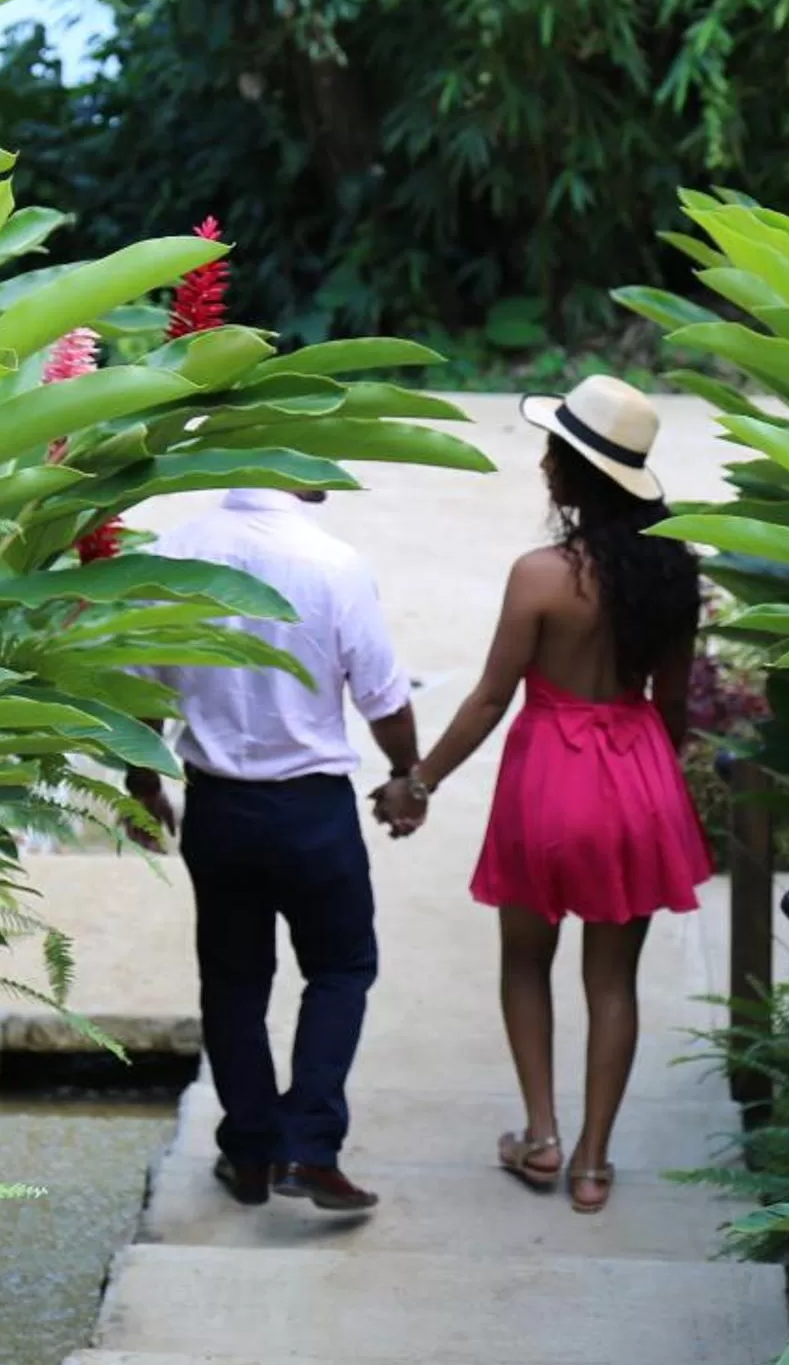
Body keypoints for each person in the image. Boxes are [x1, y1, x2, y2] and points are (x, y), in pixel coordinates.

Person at [402, 376, 707, 1215]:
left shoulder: (539, 576)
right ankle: (594, 1164)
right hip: (636, 770)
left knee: (525, 960)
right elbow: (675, 702)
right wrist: (657, 788)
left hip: (547, 781)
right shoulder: (675, 573)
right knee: (614, 981)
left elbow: (490, 698)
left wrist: (419, 781)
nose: (542, 461)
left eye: (554, 451)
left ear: (574, 473)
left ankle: (540, 1134)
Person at [125, 486, 426, 1216]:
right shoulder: (332, 563)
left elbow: (141, 687)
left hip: (219, 806)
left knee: (233, 981)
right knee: (341, 966)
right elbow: (382, 695)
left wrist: (141, 782)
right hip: (313, 810)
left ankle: (251, 1152)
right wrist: (404, 775)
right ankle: (311, 1147)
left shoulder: (174, 550)